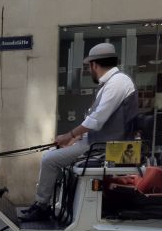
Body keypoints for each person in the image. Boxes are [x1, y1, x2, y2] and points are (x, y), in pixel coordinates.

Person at [20, 42, 138, 221]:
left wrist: (69, 135)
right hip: (100, 143)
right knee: (53, 154)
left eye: (88, 66)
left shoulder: (117, 83)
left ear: (94, 65)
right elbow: (97, 121)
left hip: (108, 148)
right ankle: (49, 204)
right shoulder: (113, 83)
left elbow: (96, 120)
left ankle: (42, 207)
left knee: (49, 160)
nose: (88, 70)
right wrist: (76, 139)